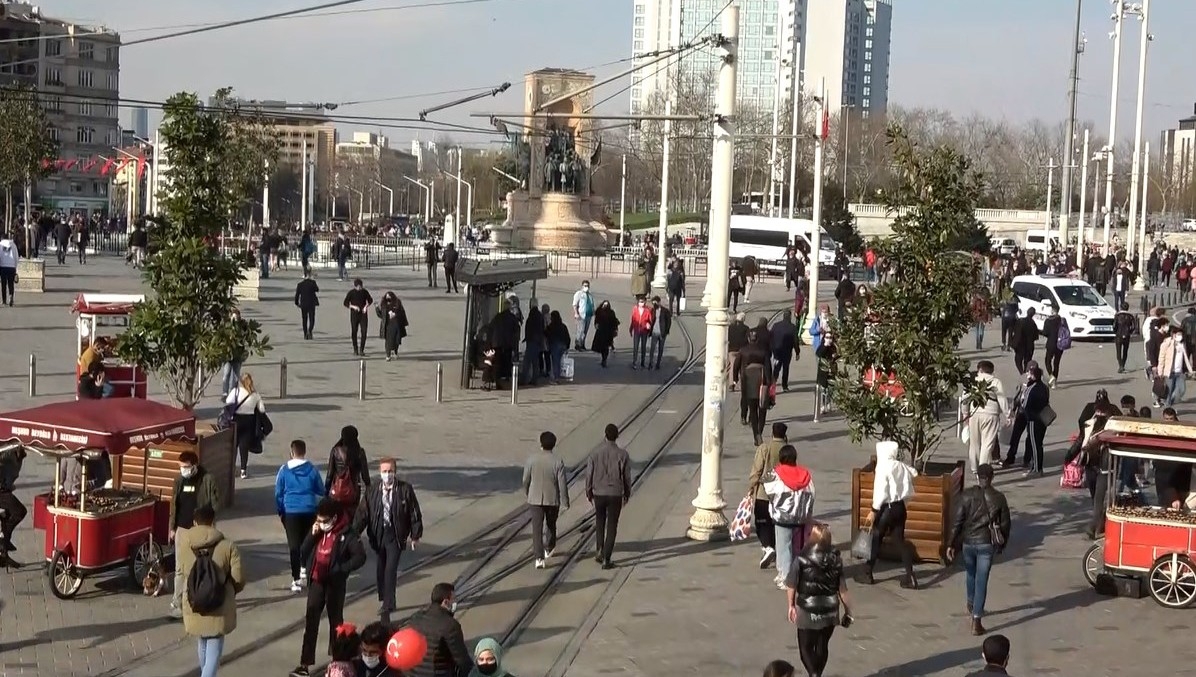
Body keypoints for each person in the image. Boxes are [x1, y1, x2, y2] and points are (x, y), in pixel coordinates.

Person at [290, 498, 367, 677]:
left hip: (335, 584)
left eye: (324, 521)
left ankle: (337, 660)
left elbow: (360, 557)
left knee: (336, 623)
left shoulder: (347, 533)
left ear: (334, 518)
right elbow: (303, 551)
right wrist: (312, 534)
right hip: (317, 580)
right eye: (319, 520)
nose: (321, 524)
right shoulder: (318, 530)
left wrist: (342, 569)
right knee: (311, 621)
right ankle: (304, 663)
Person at [178, 505, 245, 677]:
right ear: (213, 521)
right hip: (219, 603)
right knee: (214, 649)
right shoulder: (228, 546)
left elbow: (181, 572)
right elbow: (239, 578)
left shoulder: (184, 545)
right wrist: (230, 590)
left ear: (195, 522)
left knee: (202, 640)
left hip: (194, 601)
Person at [946, 464, 1012, 636]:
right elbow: (1005, 524)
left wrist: (951, 544)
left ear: (978, 477)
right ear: (992, 477)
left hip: (968, 543)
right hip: (986, 544)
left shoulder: (967, 495)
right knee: (982, 580)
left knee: (970, 573)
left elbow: (957, 522)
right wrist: (1002, 544)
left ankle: (970, 603)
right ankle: (976, 620)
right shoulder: (999, 498)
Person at [355, 457, 424, 616]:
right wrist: (355, 533)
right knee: (381, 568)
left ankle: (389, 603)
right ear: (380, 472)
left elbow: (414, 513)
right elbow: (362, 514)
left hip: (395, 535)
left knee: (390, 569)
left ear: (395, 472)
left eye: (390, 471)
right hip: (378, 535)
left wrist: (415, 535)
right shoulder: (372, 491)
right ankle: (384, 596)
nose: (387, 474)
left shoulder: (405, 489)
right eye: (384, 471)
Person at [785, 523, 852, 677]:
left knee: (806, 648)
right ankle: (817, 674)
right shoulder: (836, 561)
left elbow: (791, 584)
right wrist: (848, 611)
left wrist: (791, 605)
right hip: (830, 610)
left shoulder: (801, 559)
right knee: (822, 645)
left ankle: (814, 674)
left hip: (807, 610)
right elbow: (843, 589)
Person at [858, 440, 918, 590]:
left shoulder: (883, 468)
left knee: (876, 539)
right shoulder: (900, 466)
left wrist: (873, 510)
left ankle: (867, 573)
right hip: (900, 507)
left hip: (887, 508)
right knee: (900, 541)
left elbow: (881, 492)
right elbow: (914, 473)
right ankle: (910, 576)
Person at [170, 452, 221, 619]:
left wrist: (209, 525)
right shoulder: (179, 481)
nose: (183, 470)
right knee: (179, 569)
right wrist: (172, 527)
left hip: (199, 530)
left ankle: (197, 599)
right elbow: (174, 505)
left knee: (198, 567)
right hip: (182, 529)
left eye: (185, 466)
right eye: (181, 467)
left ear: (194, 466)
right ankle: (177, 602)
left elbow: (215, 504)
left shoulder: (207, 479)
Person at [276, 440, 326, 593]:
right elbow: (321, 490)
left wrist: (281, 510)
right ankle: (307, 571)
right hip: (309, 510)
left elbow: (278, 493)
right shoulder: (312, 470)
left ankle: (296, 579)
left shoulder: (284, 470)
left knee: (294, 546)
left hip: (291, 511)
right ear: (304, 452)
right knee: (308, 543)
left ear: (292, 453)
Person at [765, 444, 815, 589]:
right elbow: (811, 493)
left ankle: (786, 578)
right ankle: (793, 575)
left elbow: (769, 490)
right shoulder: (805, 474)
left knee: (783, 548)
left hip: (782, 518)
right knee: (796, 548)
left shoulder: (776, 473)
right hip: (800, 517)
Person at [586, 424, 631, 569]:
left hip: (599, 493)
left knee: (599, 521)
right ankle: (607, 558)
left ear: (604, 435)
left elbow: (589, 475)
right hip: (615, 494)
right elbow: (627, 477)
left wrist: (589, 492)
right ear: (617, 437)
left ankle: (599, 549)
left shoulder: (594, 454)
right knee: (612, 525)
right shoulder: (623, 455)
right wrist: (627, 494)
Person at [522, 431, 569, 569]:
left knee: (536, 528)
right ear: (554, 444)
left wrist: (528, 492)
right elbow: (562, 484)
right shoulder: (557, 461)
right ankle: (549, 547)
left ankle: (538, 558)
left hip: (535, 498)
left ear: (541, 443)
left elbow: (525, 479)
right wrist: (565, 501)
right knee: (551, 524)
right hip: (552, 498)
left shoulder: (531, 460)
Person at [405, 582, 472, 677]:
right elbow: (462, 660)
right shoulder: (450, 625)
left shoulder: (416, 618)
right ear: (446, 602)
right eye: (453, 599)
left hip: (413, 673)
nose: (455, 603)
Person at [226, 373, 271, 480]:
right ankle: (243, 471)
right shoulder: (255, 395)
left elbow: (228, 402)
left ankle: (232, 468)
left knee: (234, 445)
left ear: (241, 382)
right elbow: (262, 409)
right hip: (249, 421)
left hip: (236, 420)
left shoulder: (236, 391)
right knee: (244, 446)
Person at [968, 361, 1008, 476]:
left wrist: (965, 413)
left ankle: (974, 467)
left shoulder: (973, 381)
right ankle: (983, 469)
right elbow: (1002, 399)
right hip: (991, 414)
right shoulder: (995, 382)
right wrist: (1007, 414)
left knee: (974, 443)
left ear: (980, 369)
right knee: (987, 444)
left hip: (974, 413)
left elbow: (965, 397)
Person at [326, 425, 372, 516]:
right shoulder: (360, 451)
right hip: (354, 489)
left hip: (337, 489)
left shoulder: (335, 450)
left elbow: (330, 474)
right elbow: (365, 475)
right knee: (352, 515)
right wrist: (369, 488)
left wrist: (326, 490)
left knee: (337, 515)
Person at [1021, 366, 1051, 478]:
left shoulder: (1031, 388)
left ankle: (1037, 469)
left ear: (1033, 376)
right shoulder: (1044, 387)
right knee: (1039, 444)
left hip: (1033, 419)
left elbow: (1025, 404)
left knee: (1034, 445)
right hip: (1043, 419)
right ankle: (1035, 467)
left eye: (1029, 373)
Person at [0, 446, 28, 566]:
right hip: (1, 492)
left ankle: (3, 551)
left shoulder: (20, 458)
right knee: (20, 511)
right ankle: (4, 541)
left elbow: (12, 475)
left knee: (9, 515)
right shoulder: (8, 453)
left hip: (6, 490)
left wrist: (10, 485)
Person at [1159, 324, 1193, 408]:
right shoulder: (1167, 343)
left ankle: (1170, 402)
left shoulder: (1182, 344)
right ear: (1173, 335)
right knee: (1170, 390)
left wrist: (1190, 370)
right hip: (1170, 372)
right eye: (1178, 334)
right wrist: (1160, 371)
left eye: (1181, 334)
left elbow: (1185, 358)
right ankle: (1167, 407)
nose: (1180, 336)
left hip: (1180, 372)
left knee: (1182, 390)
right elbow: (1161, 357)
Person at [344, 279, 374, 357]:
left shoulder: (365, 292)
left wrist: (366, 307)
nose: (360, 288)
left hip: (363, 314)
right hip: (354, 314)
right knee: (354, 331)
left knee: (364, 332)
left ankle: (362, 350)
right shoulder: (351, 293)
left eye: (361, 286)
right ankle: (355, 349)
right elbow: (345, 303)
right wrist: (353, 307)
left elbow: (370, 300)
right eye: (358, 287)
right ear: (355, 286)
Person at [770, 310, 799, 391]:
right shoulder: (793, 327)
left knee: (776, 367)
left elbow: (771, 337)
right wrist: (797, 352)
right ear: (790, 317)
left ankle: (773, 384)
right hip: (787, 351)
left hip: (777, 351)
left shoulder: (776, 325)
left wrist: (772, 349)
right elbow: (795, 341)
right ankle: (785, 386)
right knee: (785, 368)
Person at [379, 291, 410, 361]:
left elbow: (401, 312)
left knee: (396, 340)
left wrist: (395, 314)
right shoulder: (384, 304)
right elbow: (381, 315)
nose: (388, 298)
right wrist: (377, 308)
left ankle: (395, 352)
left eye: (389, 297)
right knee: (388, 341)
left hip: (396, 324)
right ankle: (388, 355)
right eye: (387, 297)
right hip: (388, 325)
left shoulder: (397, 302)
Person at [1040, 302, 1065, 387]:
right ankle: (1054, 380)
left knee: (1047, 361)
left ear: (1052, 311)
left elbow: (1045, 333)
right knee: (1056, 363)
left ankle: (1051, 377)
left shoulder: (1048, 321)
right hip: (1060, 344)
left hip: (1051, 344)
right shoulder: (1062, 320)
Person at [544, 310, 571, 383]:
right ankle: (558, 376)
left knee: (555, 362)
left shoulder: (551, 326)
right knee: (559, 361)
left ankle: (556, 378)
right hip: (563, 345)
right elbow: (568, 337)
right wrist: (567, 346)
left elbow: (546, 333)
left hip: (555, 345)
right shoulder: (563, 326)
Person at [590, 300, 619, 368]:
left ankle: (604, 360)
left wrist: (615, 330)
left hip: (608, 332)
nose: (605, 306)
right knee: (602, 346)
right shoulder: (599, 311)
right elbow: (596, 320)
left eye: (606, 305)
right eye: (604, 305)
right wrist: (596, 325)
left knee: (606, 347)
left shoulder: (611, 313)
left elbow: (614, 322)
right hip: (601, 332)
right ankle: (603, 359)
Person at [1010, 308, 1039, 374]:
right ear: (1033, 314)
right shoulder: (1033, 324)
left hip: (1020, 344)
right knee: (1027, 361)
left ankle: (1021, 372)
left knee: (1018, 360)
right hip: (1029, 345)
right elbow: (1036, 336)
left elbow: (1015, 331)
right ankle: (1025, 372)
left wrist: (1013, 341)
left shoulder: (1020, 321)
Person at [628, 296, 654, 370]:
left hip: (644, 331)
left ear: (645, 302)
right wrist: (631, 329)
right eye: (640, 302)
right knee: (635, 347)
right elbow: (633, 319)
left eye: (642, 302)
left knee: (643, 347)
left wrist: (648, 325)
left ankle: (642, 362)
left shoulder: (647, 310)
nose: (641, 303)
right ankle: (634, 362)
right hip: (636, 331)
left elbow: (650, 321)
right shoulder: (635, 309)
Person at [647, 296, 671, 371]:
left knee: (661, 349)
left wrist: (666, 331)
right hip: (654, 332)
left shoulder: (665, 311)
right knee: (652, 349)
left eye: (656, 303)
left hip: (662, 333)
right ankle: (650, 363)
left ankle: (658, 364)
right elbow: (649, 320)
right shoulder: (652, 310)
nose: (654, 305)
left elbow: (669, 322)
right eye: (653, 303)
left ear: (659, 302)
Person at [295, 270, 320, 340]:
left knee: (304, 319)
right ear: (309, 276)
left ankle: (305, 334)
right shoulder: (313, 283)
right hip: (311, 303)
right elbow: (317, 289)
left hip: (303, 304)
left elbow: (297, 295)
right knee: (312, 319)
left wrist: (297, 303)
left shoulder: (300, 284)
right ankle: (310, 330)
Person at [1113, 302, 1137, 373]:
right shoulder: (1130, 316)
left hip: (1119, 335)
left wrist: (1115, 331)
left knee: (1118, 351)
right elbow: (1133, 326)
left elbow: (1114, 326)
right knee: (1125, 351)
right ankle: (1123, 365)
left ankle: (1120, 365)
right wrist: (1129, 332)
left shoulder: (1117, 316)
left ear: (1121, 307)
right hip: (1127, 335)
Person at [572, 280, 596, 350]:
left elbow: (591, 304)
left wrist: (593, 311)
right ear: (582, 286)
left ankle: (582, 344)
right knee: (580, 330)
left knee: (585, 331)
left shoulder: (590, 295)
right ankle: (578, 344)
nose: (586, 287)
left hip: (588, 315)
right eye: (585, 286)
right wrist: (576, 313)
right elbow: (575, 304)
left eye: (587, 286)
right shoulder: (579, 294)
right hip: (581, 315)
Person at [0, 231, 17, 306]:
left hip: (3, 267)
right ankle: (11, 296)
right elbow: (16, 257)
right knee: (11, 283)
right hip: (11, 267)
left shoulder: (0, 245)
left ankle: (4, 301)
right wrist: (15, 267)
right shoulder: (13, 245)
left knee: (3, 284)